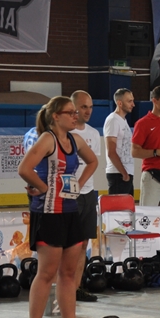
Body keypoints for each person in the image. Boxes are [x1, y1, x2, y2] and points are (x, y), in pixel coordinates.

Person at [17, 96, 98, 318]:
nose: (76, 116)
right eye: (71, 112)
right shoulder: (47, 139)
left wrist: (79, 185)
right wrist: (42, 188)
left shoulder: (75, 140)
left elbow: (93, 161)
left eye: (77, 112)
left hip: (70, 211)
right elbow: (24, 168)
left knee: (69, 273)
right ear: (56, 116)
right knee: (46, 273)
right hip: (49, 214)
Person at [70, 90, 102, 302]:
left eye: (90, 107)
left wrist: (82, 186)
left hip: (88, 194)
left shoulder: (93, 134)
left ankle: (76, 288)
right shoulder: (66, 133)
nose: (88, 111)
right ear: (74, 108)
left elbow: (92, 163)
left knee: (83, 244)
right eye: (83, 107)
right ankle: (62, 290)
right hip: (69, 196)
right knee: (66, 246)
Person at [104, 88, 135, 196]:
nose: (133, 104)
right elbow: (111, 151)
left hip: (124, 173)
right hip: (118, 174)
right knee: (117, 211)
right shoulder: (113, 120)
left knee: (127, 210)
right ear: (119, 103)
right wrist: (124, 173)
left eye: (132, 100)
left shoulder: (123, 121)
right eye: (129, 101)